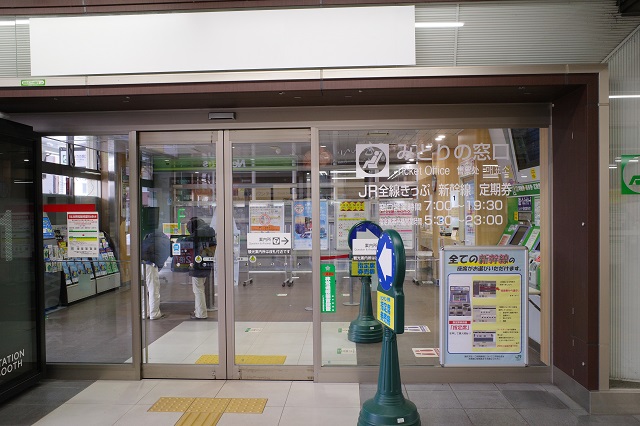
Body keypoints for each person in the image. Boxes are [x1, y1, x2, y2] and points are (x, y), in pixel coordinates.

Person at [186, 217, 216, 319]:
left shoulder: (197, 234)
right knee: (201, 287)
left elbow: (188, 242)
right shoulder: (210, 232)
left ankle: (201, 314)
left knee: (198, 289)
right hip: (207, 262)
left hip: (197, 263)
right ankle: (199, 311)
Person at [141, 229, 171, 320]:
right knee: (153, 289)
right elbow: (164, 256)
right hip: (151, 265)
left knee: (143, 290)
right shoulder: (165, 241)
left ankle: (144, 313)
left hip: (139, 265)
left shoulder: (147, 239)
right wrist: (158, 266)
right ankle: (154, 313)